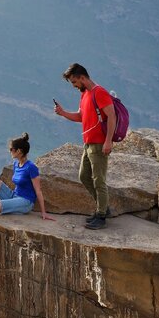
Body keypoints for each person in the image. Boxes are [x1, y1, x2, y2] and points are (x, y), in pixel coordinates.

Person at [53, 62, 115, 229]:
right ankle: (103, 207)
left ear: (82, 77)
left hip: (99, 143)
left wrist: (108, 141)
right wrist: (63, 113)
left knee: (99, 180)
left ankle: (101, 215)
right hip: (88, 143)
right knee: (83, 176)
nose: (74, 86)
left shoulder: (99, 92)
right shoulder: (85, 94)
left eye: (74, 82)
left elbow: (112, 116)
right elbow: (81, 116)